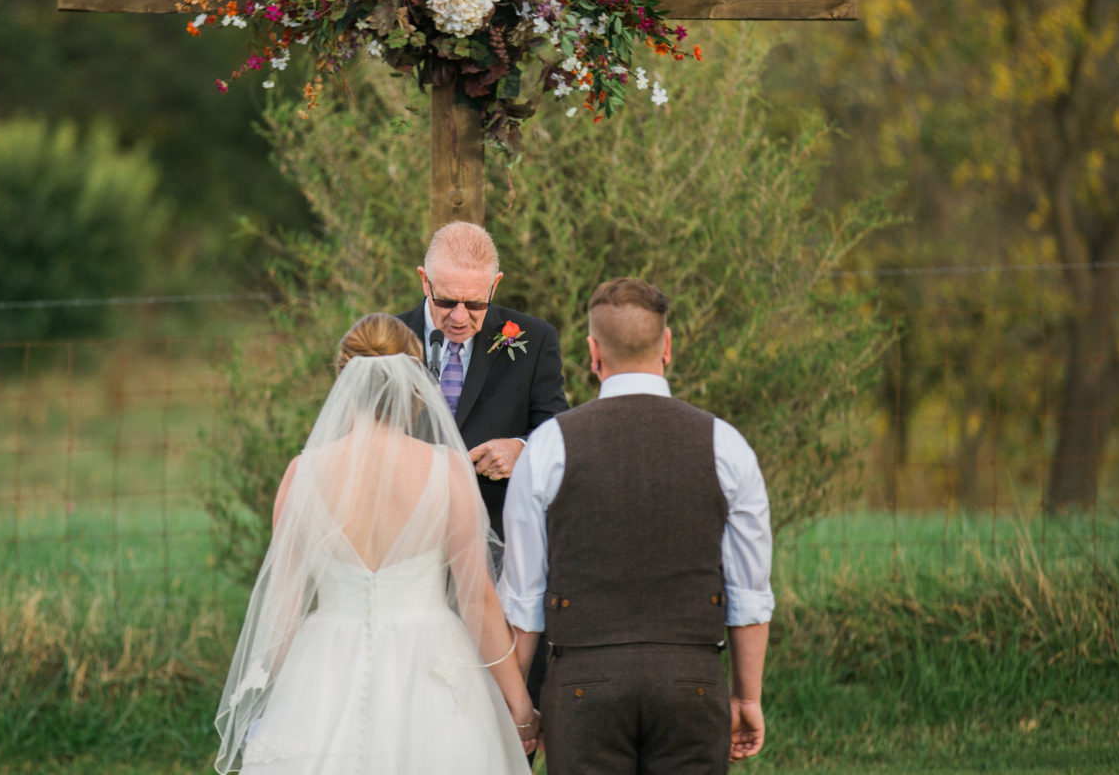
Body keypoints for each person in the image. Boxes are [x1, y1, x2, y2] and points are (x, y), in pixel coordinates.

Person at [213, 314, 539, 774]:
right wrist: (520, 705)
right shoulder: (445, 471)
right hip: (429, 661)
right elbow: (477, 601)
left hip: (326, 660)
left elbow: (282, 610)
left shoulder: (302, 474)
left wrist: (281, 701)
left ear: (343, 382)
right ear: (414, 382)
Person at [498, 278, 774, 774]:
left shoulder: (546, 447)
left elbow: (523, 599)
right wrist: (746, 697)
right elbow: (749, 594)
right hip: (691, 681)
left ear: (592, 352)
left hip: (582, 686)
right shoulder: (725, 445)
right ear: (667, 346)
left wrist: (518, 708)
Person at [397, 222, 570, 542]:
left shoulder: (535, 339)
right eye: (447, 301)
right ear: (425, 281)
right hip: (402, 536)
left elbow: (558, 432)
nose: (460, 317)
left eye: (475, 304)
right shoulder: (387, 339)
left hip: (496, 538)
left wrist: (522, 450)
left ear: (495, 286)